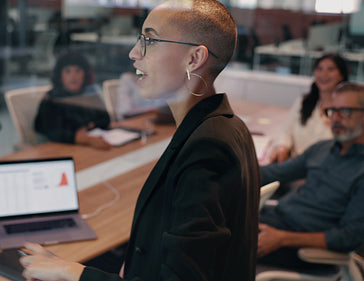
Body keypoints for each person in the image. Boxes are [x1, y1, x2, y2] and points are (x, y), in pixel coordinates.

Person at [20, 0, 261, 280]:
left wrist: (68, 270)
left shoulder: (208, 147)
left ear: (194, 59)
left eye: (150, 40)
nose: (134, 53)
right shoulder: (227, 126)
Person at [257, 82, 364, 269]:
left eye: (345, 111)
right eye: (333, 111)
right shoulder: (322, 149)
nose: (336, 118)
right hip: (274, 220)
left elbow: (348, 237)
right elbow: (273, 172)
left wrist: (282, 239)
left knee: (213, 241)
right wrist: (226, 166)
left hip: (299, 246)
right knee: (206, 221)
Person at [268, 53, 349, 163]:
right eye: (319, 69)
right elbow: (285, 131)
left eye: (330, 69)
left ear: (341, 75)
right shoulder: (304, 102)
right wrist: (282, 147)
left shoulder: (347, 111)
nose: (323, 74)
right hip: (294, 164)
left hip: (323, 169)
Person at [34, 52, 112, 150]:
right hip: (56, 148)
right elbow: (55, 132)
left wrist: (88, 126)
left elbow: (105, 119)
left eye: (78, 70)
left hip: (83, 148)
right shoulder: (52, 98)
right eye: (67, 71)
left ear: (85, 74)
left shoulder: (89, 93)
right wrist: (87, 139)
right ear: (60, 75)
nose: (73, 76)